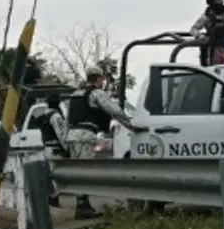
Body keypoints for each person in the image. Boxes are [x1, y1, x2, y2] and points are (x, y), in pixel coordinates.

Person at [65, 65, 147, 219]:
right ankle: (83, 208)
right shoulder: (97, 93)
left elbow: (68, 119)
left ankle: (81, 205)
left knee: (77, 172)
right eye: (102, 78)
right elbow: (114, 111)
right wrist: (132, 126)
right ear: (97, 78)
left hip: (72, 136)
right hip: (85, 135)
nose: (103, 82)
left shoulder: (75, 95)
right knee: (85, 172)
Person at [27, 93, 68, 208]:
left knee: (50, 175)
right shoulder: (55, 116)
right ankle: (54, 198)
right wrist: (67, 148)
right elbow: (61, 133)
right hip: (55, 149)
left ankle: (52, 198)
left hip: (46, 148)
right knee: (57, 175)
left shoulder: (44, 116)